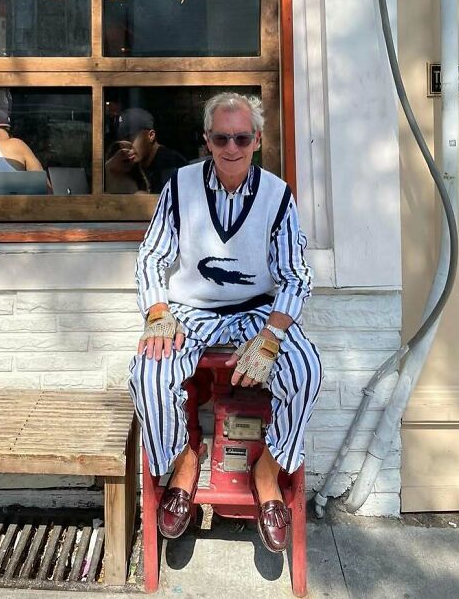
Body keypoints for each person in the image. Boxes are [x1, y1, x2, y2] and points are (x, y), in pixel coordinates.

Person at [128, 92, 322, 554]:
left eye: (241, 137)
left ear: (257, 140)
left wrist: (272, 336)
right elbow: (153, 256)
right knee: (148, 374)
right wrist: (157, 313)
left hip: (257, 310)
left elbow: (296, 274)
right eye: (221, 137)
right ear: (206, 141)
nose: (231, 147)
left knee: (306, 371)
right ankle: (183, 464)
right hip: (193, 309)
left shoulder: (277, 194)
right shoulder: (180, 185)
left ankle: (268, 472)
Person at [105, 107, 187, 194]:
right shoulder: (136, 165)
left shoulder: (171, 164)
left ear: (151, 136)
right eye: (122, 140)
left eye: (131, 138)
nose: (126, 146)